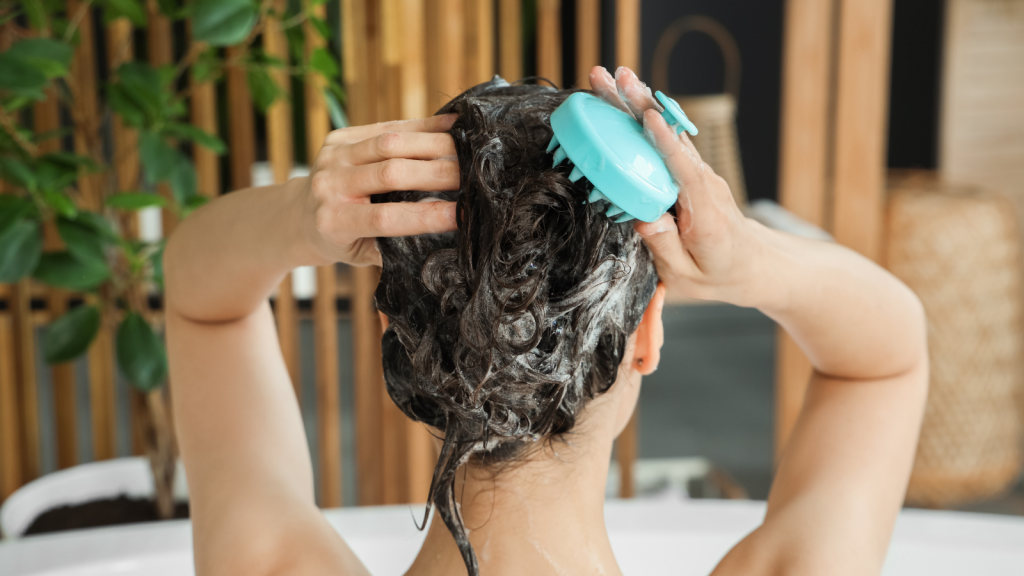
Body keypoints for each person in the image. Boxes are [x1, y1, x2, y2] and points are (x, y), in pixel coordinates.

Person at [164, 66, 928, 576]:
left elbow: (202, 298)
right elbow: (886, 358)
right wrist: (752, 257)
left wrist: (304, 212)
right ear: (647, 337)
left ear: (410, 342)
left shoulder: (270, 562)